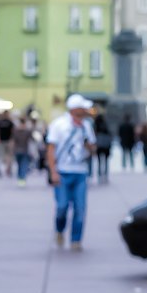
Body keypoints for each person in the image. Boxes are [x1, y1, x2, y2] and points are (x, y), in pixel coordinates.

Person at [46, 93, 96, 250]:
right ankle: (59, 230)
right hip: (63, 171)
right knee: (62, 207)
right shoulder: (59, 124)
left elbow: (93, 149)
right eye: (83, 107)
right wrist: (53, 171)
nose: (87, 110)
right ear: (76, 109)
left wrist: (88, 143)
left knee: (80, 208)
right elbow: (51, 149)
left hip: (80, 172)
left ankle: (76, 240)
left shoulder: (87, 126)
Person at [12, 115, 34, 185]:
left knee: (19, 165)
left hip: (17, 150)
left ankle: (19, 178)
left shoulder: (15, 130)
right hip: (25, 150)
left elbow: (13, 140)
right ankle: (22, 179)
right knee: (24, 165)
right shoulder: (27, 130)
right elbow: (32, 139)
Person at [0, 112, 15, 178]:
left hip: (6, 141)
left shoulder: (4, 122)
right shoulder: (5, 122)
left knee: (6, 156)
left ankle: (7, 169)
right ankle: (2, 169)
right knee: (3, 156)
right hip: (4, 141)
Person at [93, 113, 112, 182]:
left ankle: (99, 174)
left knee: (99, 161)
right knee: (106, 161)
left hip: (99, 144)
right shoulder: (105, 125)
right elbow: (109, 135)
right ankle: (106, 174)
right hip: (106, 145)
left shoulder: (95, 126)